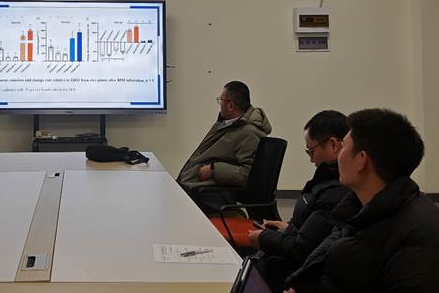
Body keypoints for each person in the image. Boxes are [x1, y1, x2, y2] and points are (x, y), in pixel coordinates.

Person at [285, 109, 439, 293]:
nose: (339, 154)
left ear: (361, 160)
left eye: (343, 146)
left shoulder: (416, 233)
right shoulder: (357, 206)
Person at [247, 110, 349, 292]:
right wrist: (289, 228)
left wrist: (263, 238)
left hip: (291, 273)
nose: (311, 159)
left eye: (311, 151)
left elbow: (301, 248)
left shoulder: (336, 191)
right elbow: (313, 231)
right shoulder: (325, 181)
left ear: (333, 145)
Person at [177, 81, 272, 213]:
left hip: (207, 192)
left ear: (231, 105)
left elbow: (247, 174)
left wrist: (214, 169)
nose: (220, 104)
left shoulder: (250, 133)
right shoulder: (226, 124)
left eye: (221, 100)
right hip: (195, 185)